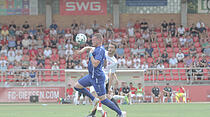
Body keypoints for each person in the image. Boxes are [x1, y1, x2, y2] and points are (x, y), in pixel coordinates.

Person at [74, 33, 125, 117]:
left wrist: (90, 55)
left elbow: (95, 64)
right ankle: (94, 100)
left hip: (97, 78)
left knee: (104, 99)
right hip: (91, 76)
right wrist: (81, 51)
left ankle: (120, 113)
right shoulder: (96, 49)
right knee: (77, 86)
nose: (92, 41)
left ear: (98, 40)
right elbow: (88, 48)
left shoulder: (100, 50)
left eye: (93, 40)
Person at [87, 42, 122, 117]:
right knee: (106, 96)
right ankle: (119, 112)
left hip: (103, 78)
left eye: (112, 47)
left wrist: (109, 87)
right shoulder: (103, 53)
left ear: (115, 49)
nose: (109, 49)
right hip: (97, 76)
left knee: (97, 95)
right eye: (109, 47)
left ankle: (93, 114)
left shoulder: (114, 62)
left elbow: (112, 74)